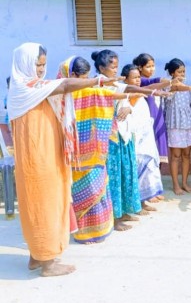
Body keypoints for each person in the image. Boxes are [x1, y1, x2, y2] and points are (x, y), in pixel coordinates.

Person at [8, 43, 119, 276]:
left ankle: (36, 257)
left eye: (43, 65)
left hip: (45, 156)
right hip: (40, 160)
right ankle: (48, 264)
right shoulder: (26, 87)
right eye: (37, 65)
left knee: (39, 205)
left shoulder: (31, 89)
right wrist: (97, 81)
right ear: (24, 63)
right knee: (45, 205)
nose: (41, 70)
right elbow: (65, 84)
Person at [58, 56, 132, 244]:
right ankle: (83, 233)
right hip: (73, 153)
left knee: (97, 188)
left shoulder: (89, 90)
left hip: (93, 149)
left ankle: (100, 229)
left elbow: (106, 95)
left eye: (87, 78)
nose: (85, 82)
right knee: (80, 192)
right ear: (71, 75)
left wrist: (129, 95)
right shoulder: (59, 93)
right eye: (82, 78)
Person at [92, 50, 168, 232]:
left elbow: (126, 97)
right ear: (101, 68)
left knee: (126, 173)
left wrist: (128, 107)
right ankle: (114, 218)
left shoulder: (114, 84)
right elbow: (117, 98)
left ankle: (124, 211)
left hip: (123, 136)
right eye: (112, 67)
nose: (115, 70)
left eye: (116, 67)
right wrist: (146, 92)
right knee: (114, 177)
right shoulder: (97, 84)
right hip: (109, 139)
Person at [122, 64, 164, 212]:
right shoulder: (126, 94)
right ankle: (137, 204)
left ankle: (144, 202)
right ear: (126, 80)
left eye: (138, 77)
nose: (138, 80)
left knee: (149, 169)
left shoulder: (140, 93)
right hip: (135, 139)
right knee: (137, 170)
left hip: (146, 138)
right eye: (134, 78)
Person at [163, 58, 191, 195]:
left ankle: (184, 183)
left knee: (186, 155)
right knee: (175, 155)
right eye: (179, 72)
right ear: (172, 73)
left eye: (184, 71)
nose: (182, 74)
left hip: (188, 124)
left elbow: (189, 104)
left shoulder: (187, 87)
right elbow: (176, 88)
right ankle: (176, 185)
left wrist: (188, 88)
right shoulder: (168, 86)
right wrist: (189, 87)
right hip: (175, 125)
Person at [133, 53, 170, 170]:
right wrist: (166, 81)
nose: (152, 69)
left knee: (158, 155)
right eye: (148, 66)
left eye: (153, 66)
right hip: (148, 122)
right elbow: (152, 82)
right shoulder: (141, 81)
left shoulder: (150, 82)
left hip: (157, 120)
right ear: (140, 68)